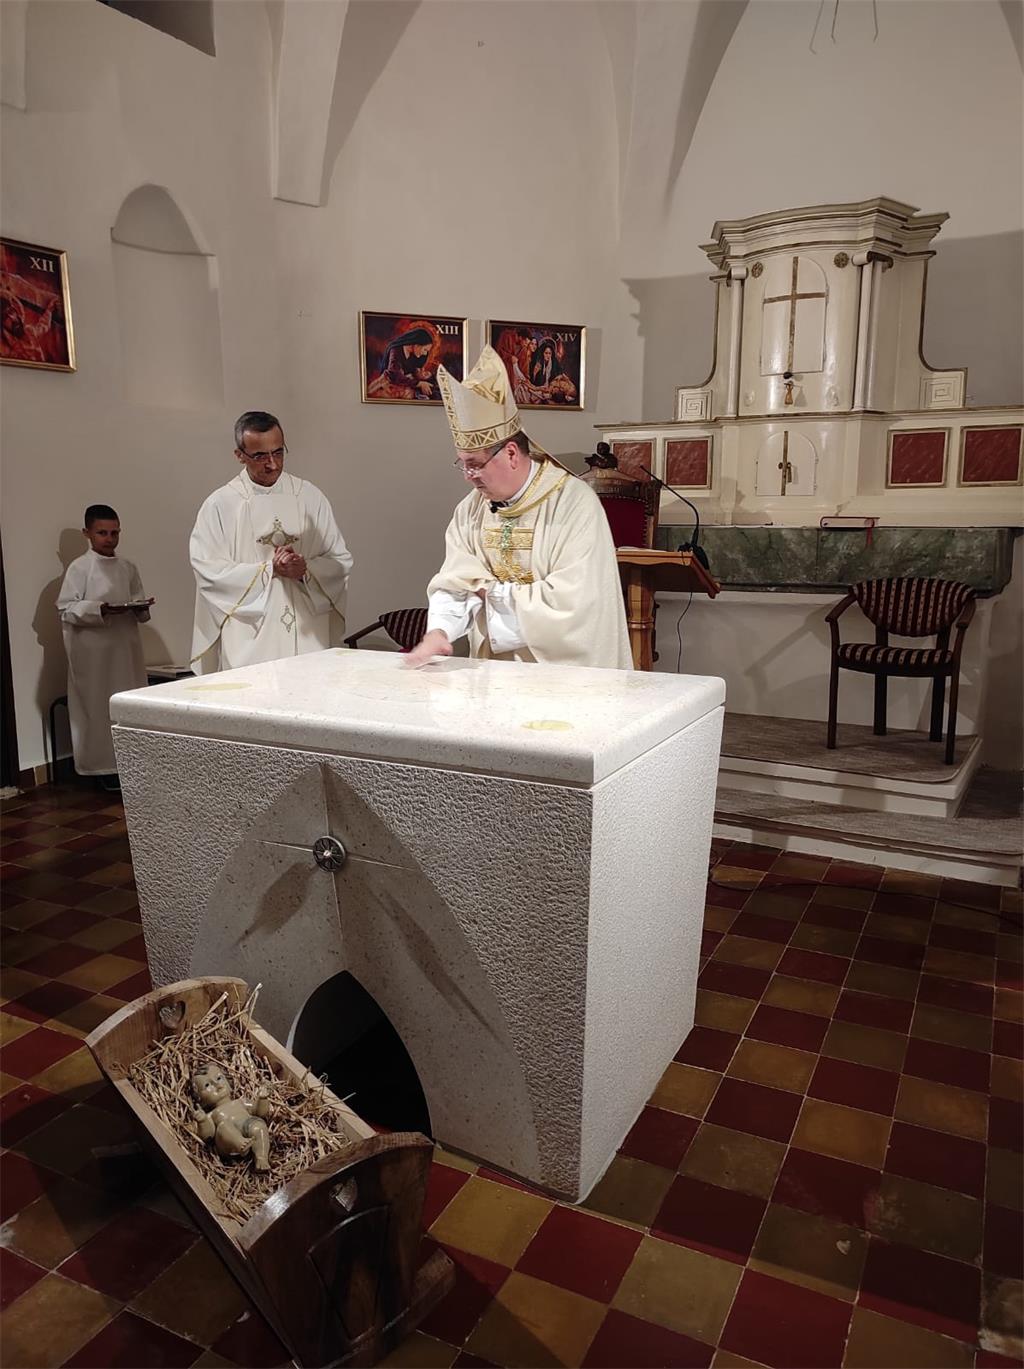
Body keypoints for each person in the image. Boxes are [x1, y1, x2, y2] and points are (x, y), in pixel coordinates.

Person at [404, 346, 631, 670]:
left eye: (475, 464)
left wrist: (490, 594)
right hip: (496, 674)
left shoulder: (574, 504)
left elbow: (575, 604)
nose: (468, 476)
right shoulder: (470, 511)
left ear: (511, 453)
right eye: (462, 464)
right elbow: (456, 581)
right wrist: (440, 632)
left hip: (567, 678)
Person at [189, 411, 353, 673]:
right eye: (260, 456)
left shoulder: (309, 497)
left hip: (308, 634)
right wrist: (269, 570)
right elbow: (208, 571)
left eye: (278, 452)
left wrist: (306, 570)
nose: (273, 464)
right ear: (239, 455)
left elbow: (340, 561)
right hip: (250, 637)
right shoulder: (220, 505)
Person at [57, 505, 153, 788]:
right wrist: (100, 609)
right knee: (98, 707)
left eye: (115, 533)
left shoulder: (127, 567)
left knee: (128, 704)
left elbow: (138, 601)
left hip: (125, 649)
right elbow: (65, 608)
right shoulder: (80, 568)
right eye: (102, 533)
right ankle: (100, 768)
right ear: (87, 533)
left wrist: (140, 608)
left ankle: (132, 765)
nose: (110, 539)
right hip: (94, 655)